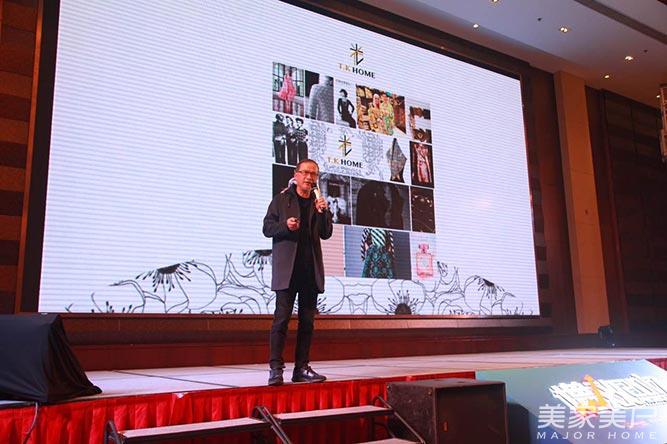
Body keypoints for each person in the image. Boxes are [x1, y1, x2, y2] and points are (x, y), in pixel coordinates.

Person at [263, 159, 333, 386]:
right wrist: (285, 226)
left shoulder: (318, 202)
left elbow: (326, 233)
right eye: (305, 173)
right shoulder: (281, 200)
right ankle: (275, 369)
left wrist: (323, 213)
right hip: (288, 271)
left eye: (314, 174)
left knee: (307, 323)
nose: (309, 178)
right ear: (296, 175)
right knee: (281, 320)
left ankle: (301, 368)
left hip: (310, 271)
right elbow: (267, 228)